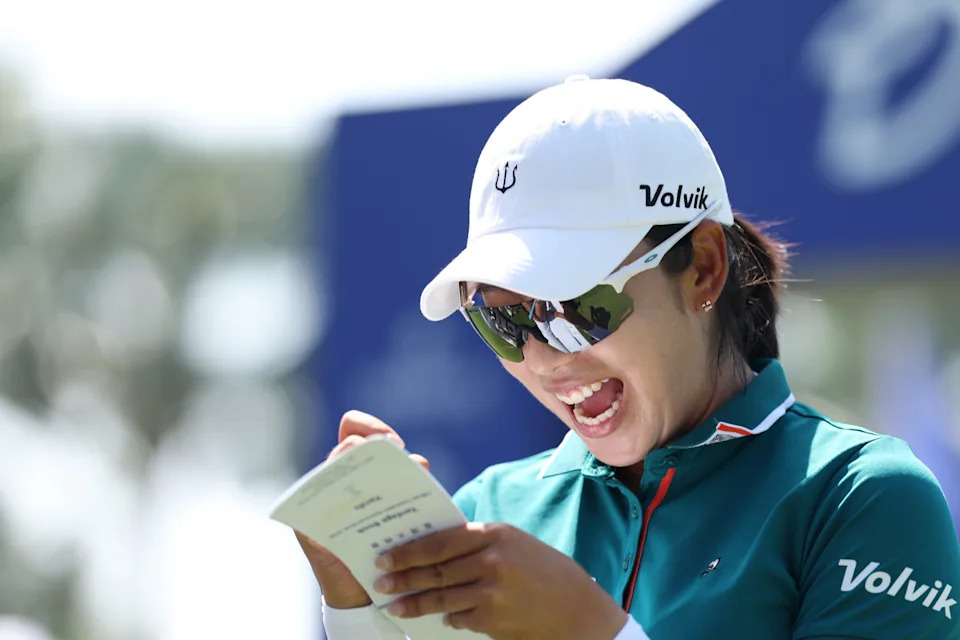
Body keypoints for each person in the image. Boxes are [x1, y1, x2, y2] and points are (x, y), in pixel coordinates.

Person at [297, 77, 960, 639]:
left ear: (702, 269)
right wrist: (358, 614)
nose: (541, 359)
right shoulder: (489, 507)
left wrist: (593, 629)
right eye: (501, 321)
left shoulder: (860, 495)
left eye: (574, 308)